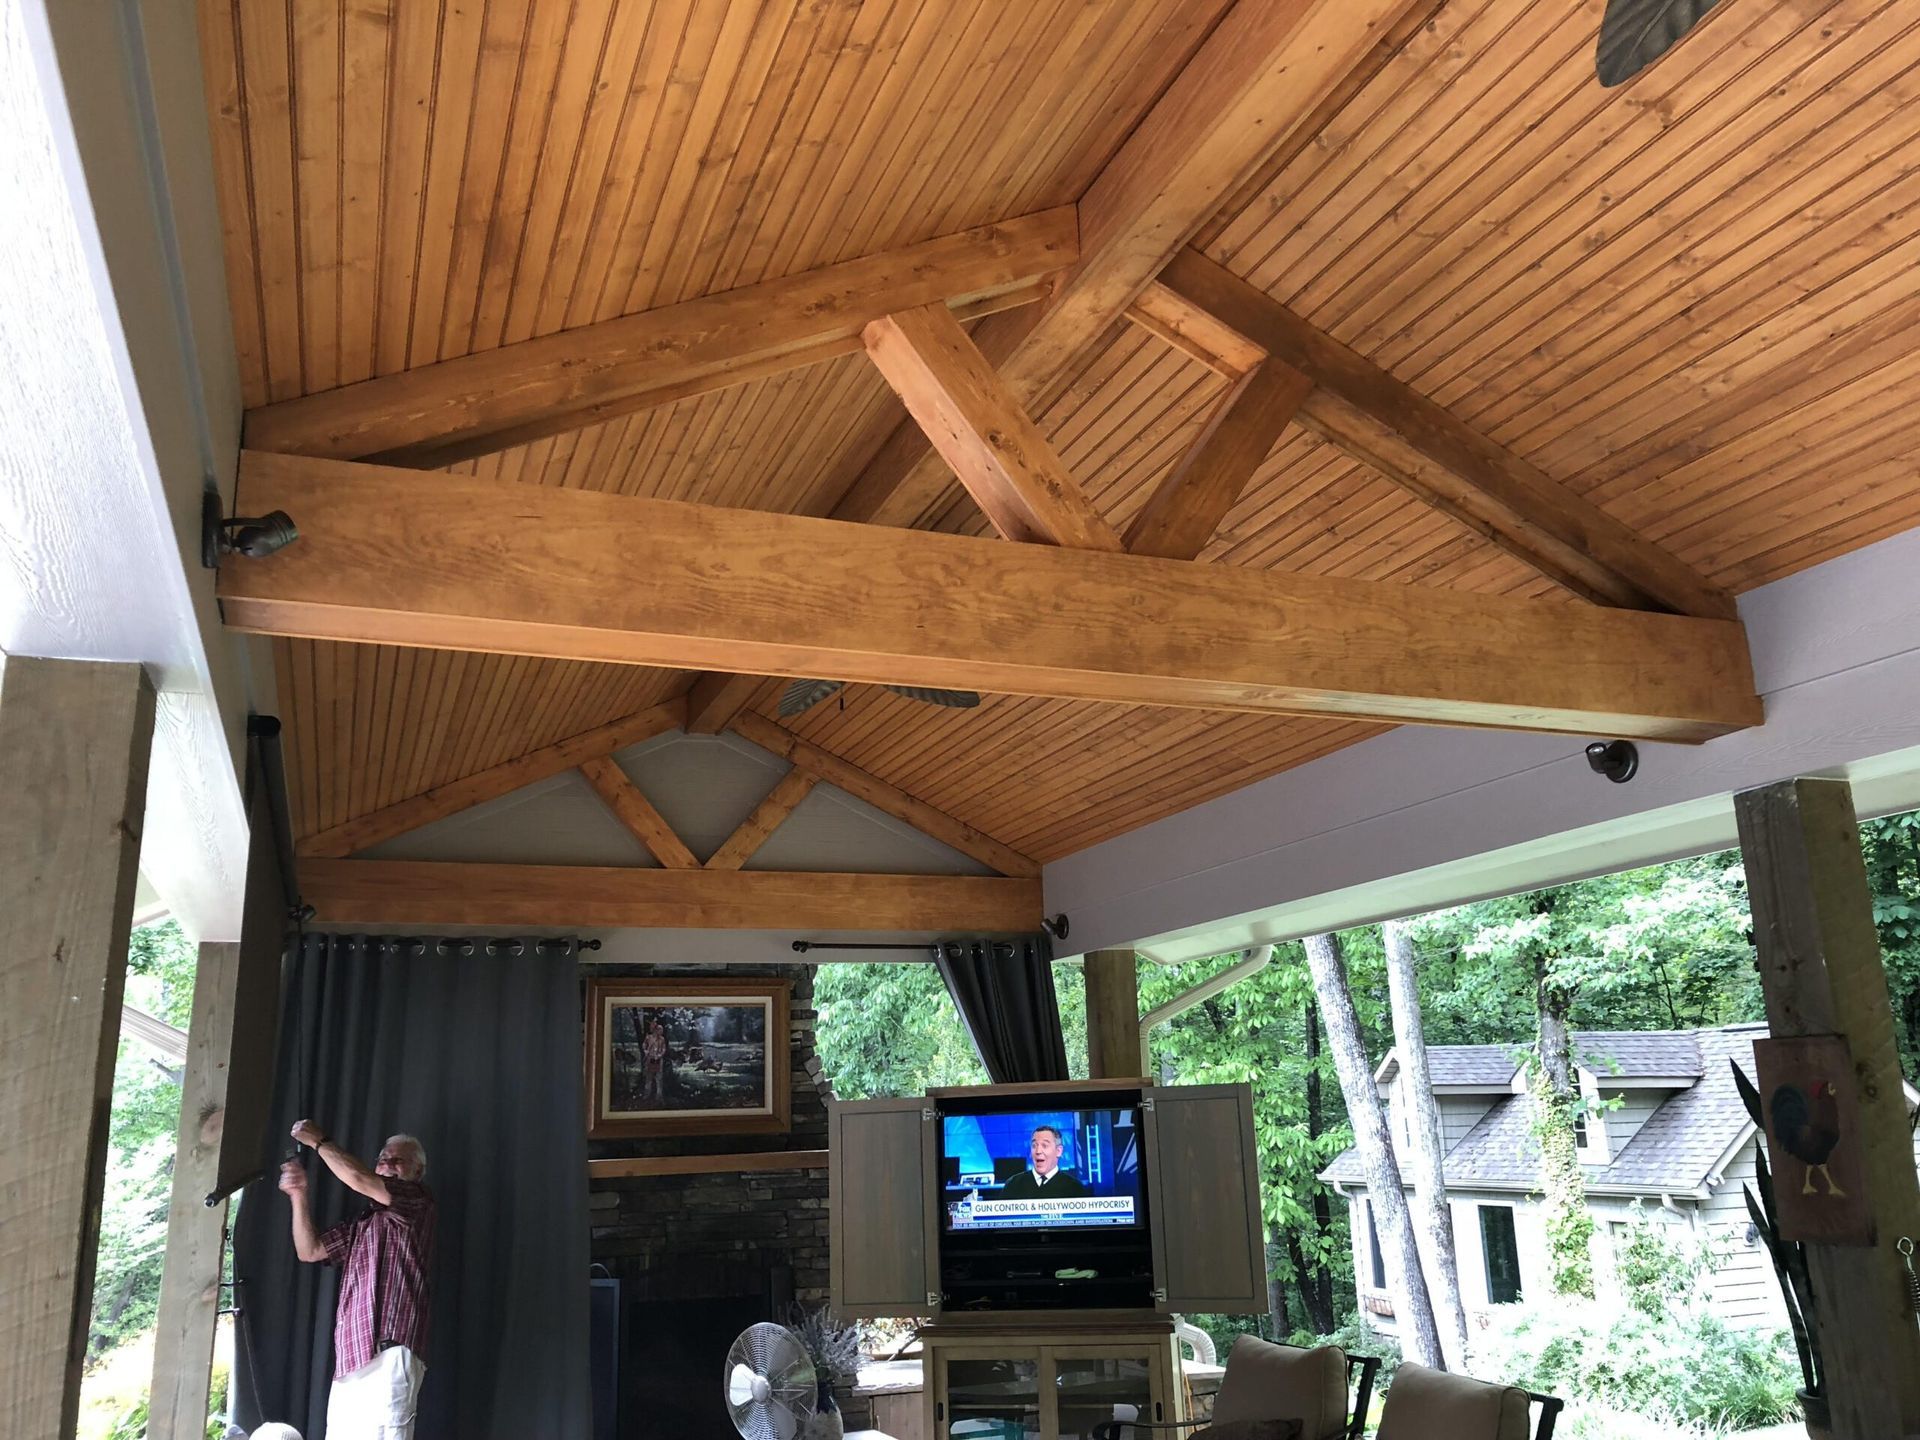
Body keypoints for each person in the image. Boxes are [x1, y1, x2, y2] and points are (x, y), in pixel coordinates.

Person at [278, 1119, 436, 1440]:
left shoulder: (418, 1199)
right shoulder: (361, 1224)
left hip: (392, 1349)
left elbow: (358, 1179)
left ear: (417, 1172)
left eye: (398, 1160)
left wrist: (319, 1142)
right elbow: (310, 1250)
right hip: (351, 1354)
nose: (387, 1164)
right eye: (383, 1159)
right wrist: (298, 1194)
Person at [997, 1124, 1088, 1199]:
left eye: (1044, 1145)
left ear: (1058, 1151)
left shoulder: (1074, 1187)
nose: (1038, 1151)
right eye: (1034, 1145)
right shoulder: (1013, 1184)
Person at [641, 1018, 668, 1103]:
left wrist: (660, 1055)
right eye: (660, 1029)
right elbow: (644, 1045)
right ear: (656, 1030)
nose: (661, 1031)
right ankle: (646, 1095)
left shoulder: (662, 1039)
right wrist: (645, 1051)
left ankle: (659, 1097)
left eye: (662, 1030)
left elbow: (664, 1049)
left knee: (659, 1079)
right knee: (648, 1078)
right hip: (650, 1059)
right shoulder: (648, 1037)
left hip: (659, 1060)